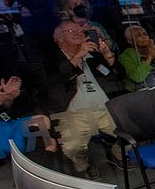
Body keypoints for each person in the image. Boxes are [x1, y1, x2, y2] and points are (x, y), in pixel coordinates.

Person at [46, 21, 122, 179]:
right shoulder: (51, 60)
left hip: (105, 107)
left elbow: (117, 76)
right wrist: (78, 55)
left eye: (80, 30)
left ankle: (116, 152)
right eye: (70, 31)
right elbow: (57, 81)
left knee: (131, 129)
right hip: (73, 113)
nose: (78, 32)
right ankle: (85, 164)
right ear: (59, 38)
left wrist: (107, 54)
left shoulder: (93, 54)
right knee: (72, 147)